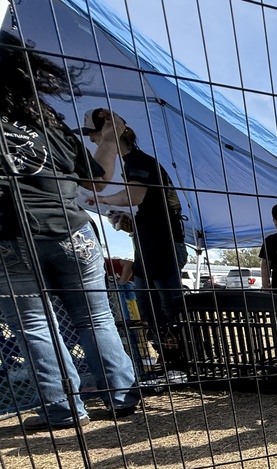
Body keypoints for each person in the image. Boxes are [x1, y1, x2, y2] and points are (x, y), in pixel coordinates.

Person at [0, 31, 140, 430]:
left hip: (10, 234)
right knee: (95, 318)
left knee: (34, 326)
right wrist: (109, 139)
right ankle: (122, 395)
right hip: (72, 230)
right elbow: (96, 179)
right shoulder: (46, 122)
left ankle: (63, 409)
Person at [81, 108, 186, 371]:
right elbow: (146, 206)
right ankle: (168, 361)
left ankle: (185, 360)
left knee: (171, 308)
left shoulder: (139, 162)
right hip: (148, 247)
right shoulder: (132, 163)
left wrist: (102, 199)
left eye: (93, 134)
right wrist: (129, 221)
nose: (92, 140)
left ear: (109, 132)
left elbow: (134, 196)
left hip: (164, 247)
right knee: (149, 309)